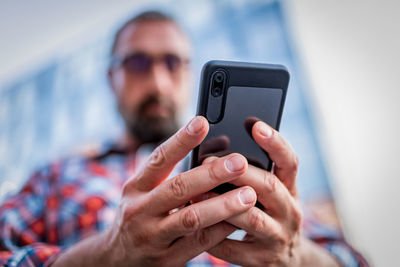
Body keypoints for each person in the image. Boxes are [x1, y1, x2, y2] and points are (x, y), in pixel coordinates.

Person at [0, 11, 368, 266]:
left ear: (190, 75)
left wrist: (296, 255)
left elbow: (354, 260)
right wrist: (106, 254)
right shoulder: (56, 176)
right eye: (138, 63)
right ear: (111, 78)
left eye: (172, 63)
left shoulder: (243, 172)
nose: (158, 83)